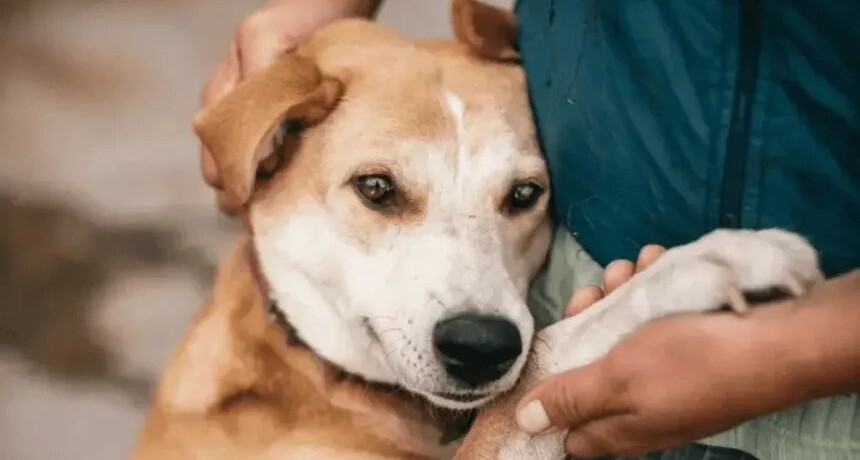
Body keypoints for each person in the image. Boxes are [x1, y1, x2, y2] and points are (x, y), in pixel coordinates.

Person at [198, 1, 860, 458]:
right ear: (269, 151)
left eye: (518, 196)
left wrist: (795, 348)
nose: (474, 303)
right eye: (381, 191)